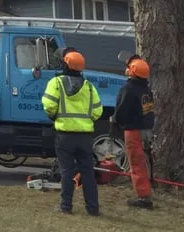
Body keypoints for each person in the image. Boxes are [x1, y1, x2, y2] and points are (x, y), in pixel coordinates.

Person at [42, 49, 104, 216]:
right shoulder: (89, 87)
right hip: (85, 137)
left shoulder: (56, 83)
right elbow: (98, 112)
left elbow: (49, 105)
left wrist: (55, 117)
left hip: (64, 135)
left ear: (65, 64)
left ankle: (66, 207)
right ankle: (93, 209)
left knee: (67, 171)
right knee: (88, 173)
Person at [112, 56, 154, 209]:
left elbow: (122, 109)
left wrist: (116, 122)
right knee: (146, 160)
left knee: (136, 163)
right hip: (147, 129)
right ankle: (149, 186)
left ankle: (143, 197)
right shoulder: (146, 89)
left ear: (133, 71)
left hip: (133, 130)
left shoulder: (128, 89)